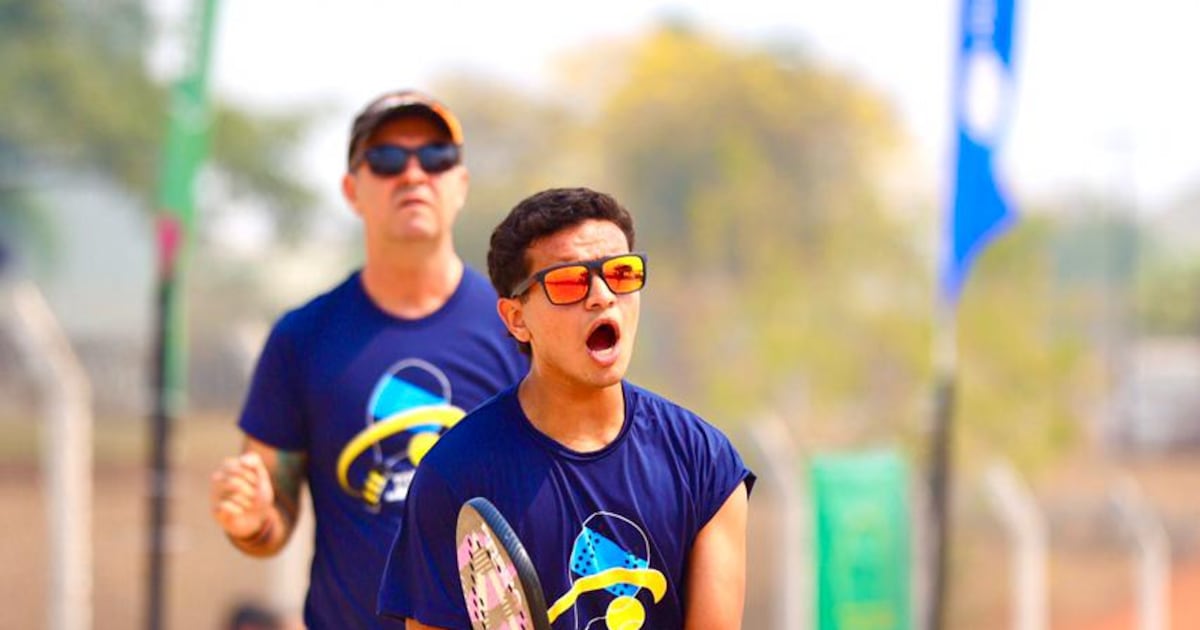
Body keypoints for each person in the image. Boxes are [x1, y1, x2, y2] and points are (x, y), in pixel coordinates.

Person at [209, 89, 528, 629]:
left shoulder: (519, 329)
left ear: (461, 185)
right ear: (352, 190)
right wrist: (251, 518)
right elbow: (272, 516)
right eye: (384, 160)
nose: (412, 174)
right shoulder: (303, 337)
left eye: (435, 158)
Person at [378, 187, 755, 629]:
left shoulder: (705, 463)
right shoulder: (455, 473)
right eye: (569, 281)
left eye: (621, 272)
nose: (602, 296)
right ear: (516, 318)